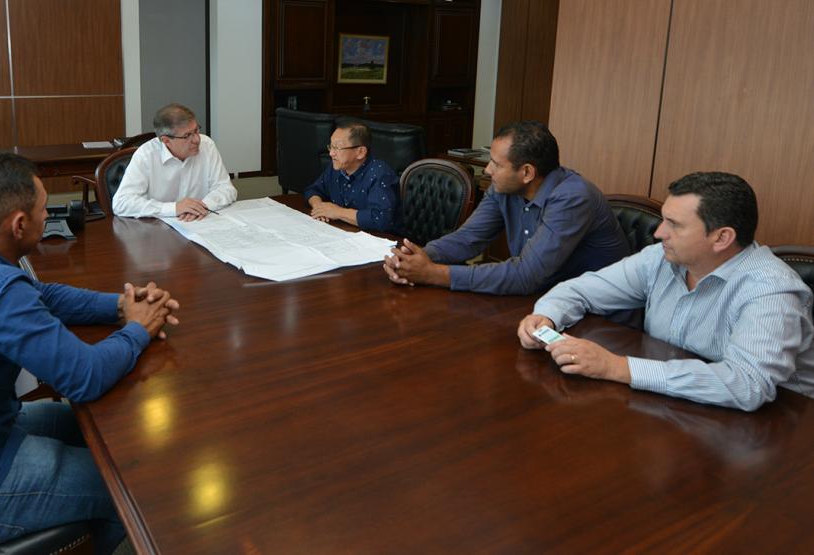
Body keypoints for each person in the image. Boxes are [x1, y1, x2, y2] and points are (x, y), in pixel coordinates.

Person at [0, 153, 181, 554]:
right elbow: (85, 377)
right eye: (43, 207)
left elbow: (40, 294)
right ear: (19, 225)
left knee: (97, 430)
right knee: (134, 487)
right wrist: (140, 328)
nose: (48, 212)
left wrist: (122, 306)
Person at [518, 171, 814, 411]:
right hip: (679, 405)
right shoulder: (661, 258)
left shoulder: (771, 290)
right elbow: (579, 289)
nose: (659, 232)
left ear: (722, 237)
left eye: (674, 225)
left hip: (780, 430)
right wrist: (547, 316)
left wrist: (617, 367)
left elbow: (748, 384)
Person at [383, 121, 629, 295]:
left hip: (599, 318)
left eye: (496, 164)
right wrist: (417, 258)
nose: (488, 170)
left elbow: (526, 276)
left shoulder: (573, 198)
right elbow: (468, 238)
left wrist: (433, 274)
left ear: (527, 172)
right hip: (544, 302)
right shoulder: (505, 188)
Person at [112, 103, 237, 221]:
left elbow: (226, 189)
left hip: (199, 223)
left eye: (196, 130)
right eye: (187, 135)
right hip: (158, 230)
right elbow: (122, 203)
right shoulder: (146, 155)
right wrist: (174, 208)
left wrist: (201, 206)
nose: (197, 139)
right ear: (166, 140)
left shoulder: (207, 145)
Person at [304, 120, 401, 233]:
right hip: (345, 233)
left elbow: (380, 219)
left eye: (337, 148)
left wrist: (338, 212)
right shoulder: (336, 168)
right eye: (331, 146)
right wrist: (319, 208)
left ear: (360, 152)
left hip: (381, 241)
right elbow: (313, 190)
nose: (331, 153)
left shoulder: (380, 174)